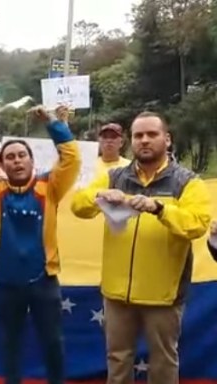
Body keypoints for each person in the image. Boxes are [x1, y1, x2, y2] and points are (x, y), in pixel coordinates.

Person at [71, 111, 211, 384]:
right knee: (117, 358)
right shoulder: (114, 176)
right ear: (131, 141)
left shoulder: (187, 181)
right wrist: (100, 195)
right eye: (138, 135)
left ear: (167, 139)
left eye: (152, 134)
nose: (144, 140)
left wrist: (159, 208)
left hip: (164, 295)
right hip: (116, 293)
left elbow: (197, 224)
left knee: (163, 361)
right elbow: (78, 206)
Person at [0, 105, 81, 384]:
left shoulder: (49, 187)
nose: (16, 161)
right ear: (2, 164)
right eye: (10, 157)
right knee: (11, 347)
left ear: (31, 160)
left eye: (21, 155)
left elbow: (71, 159)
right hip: (6, 283)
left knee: (53, 345)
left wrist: (52, 122)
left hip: (44, 282)